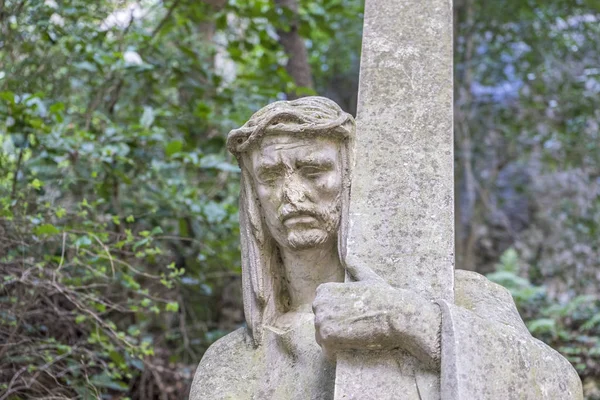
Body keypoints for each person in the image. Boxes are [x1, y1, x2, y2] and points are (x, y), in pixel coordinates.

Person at [190, 96, 582, 400]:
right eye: (271, 176)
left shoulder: (462, 296)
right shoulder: (229, 363)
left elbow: (556, 386)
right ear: (253, 197)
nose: (292, 195)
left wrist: (409, 320)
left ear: (352, 179)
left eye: (314, 171)